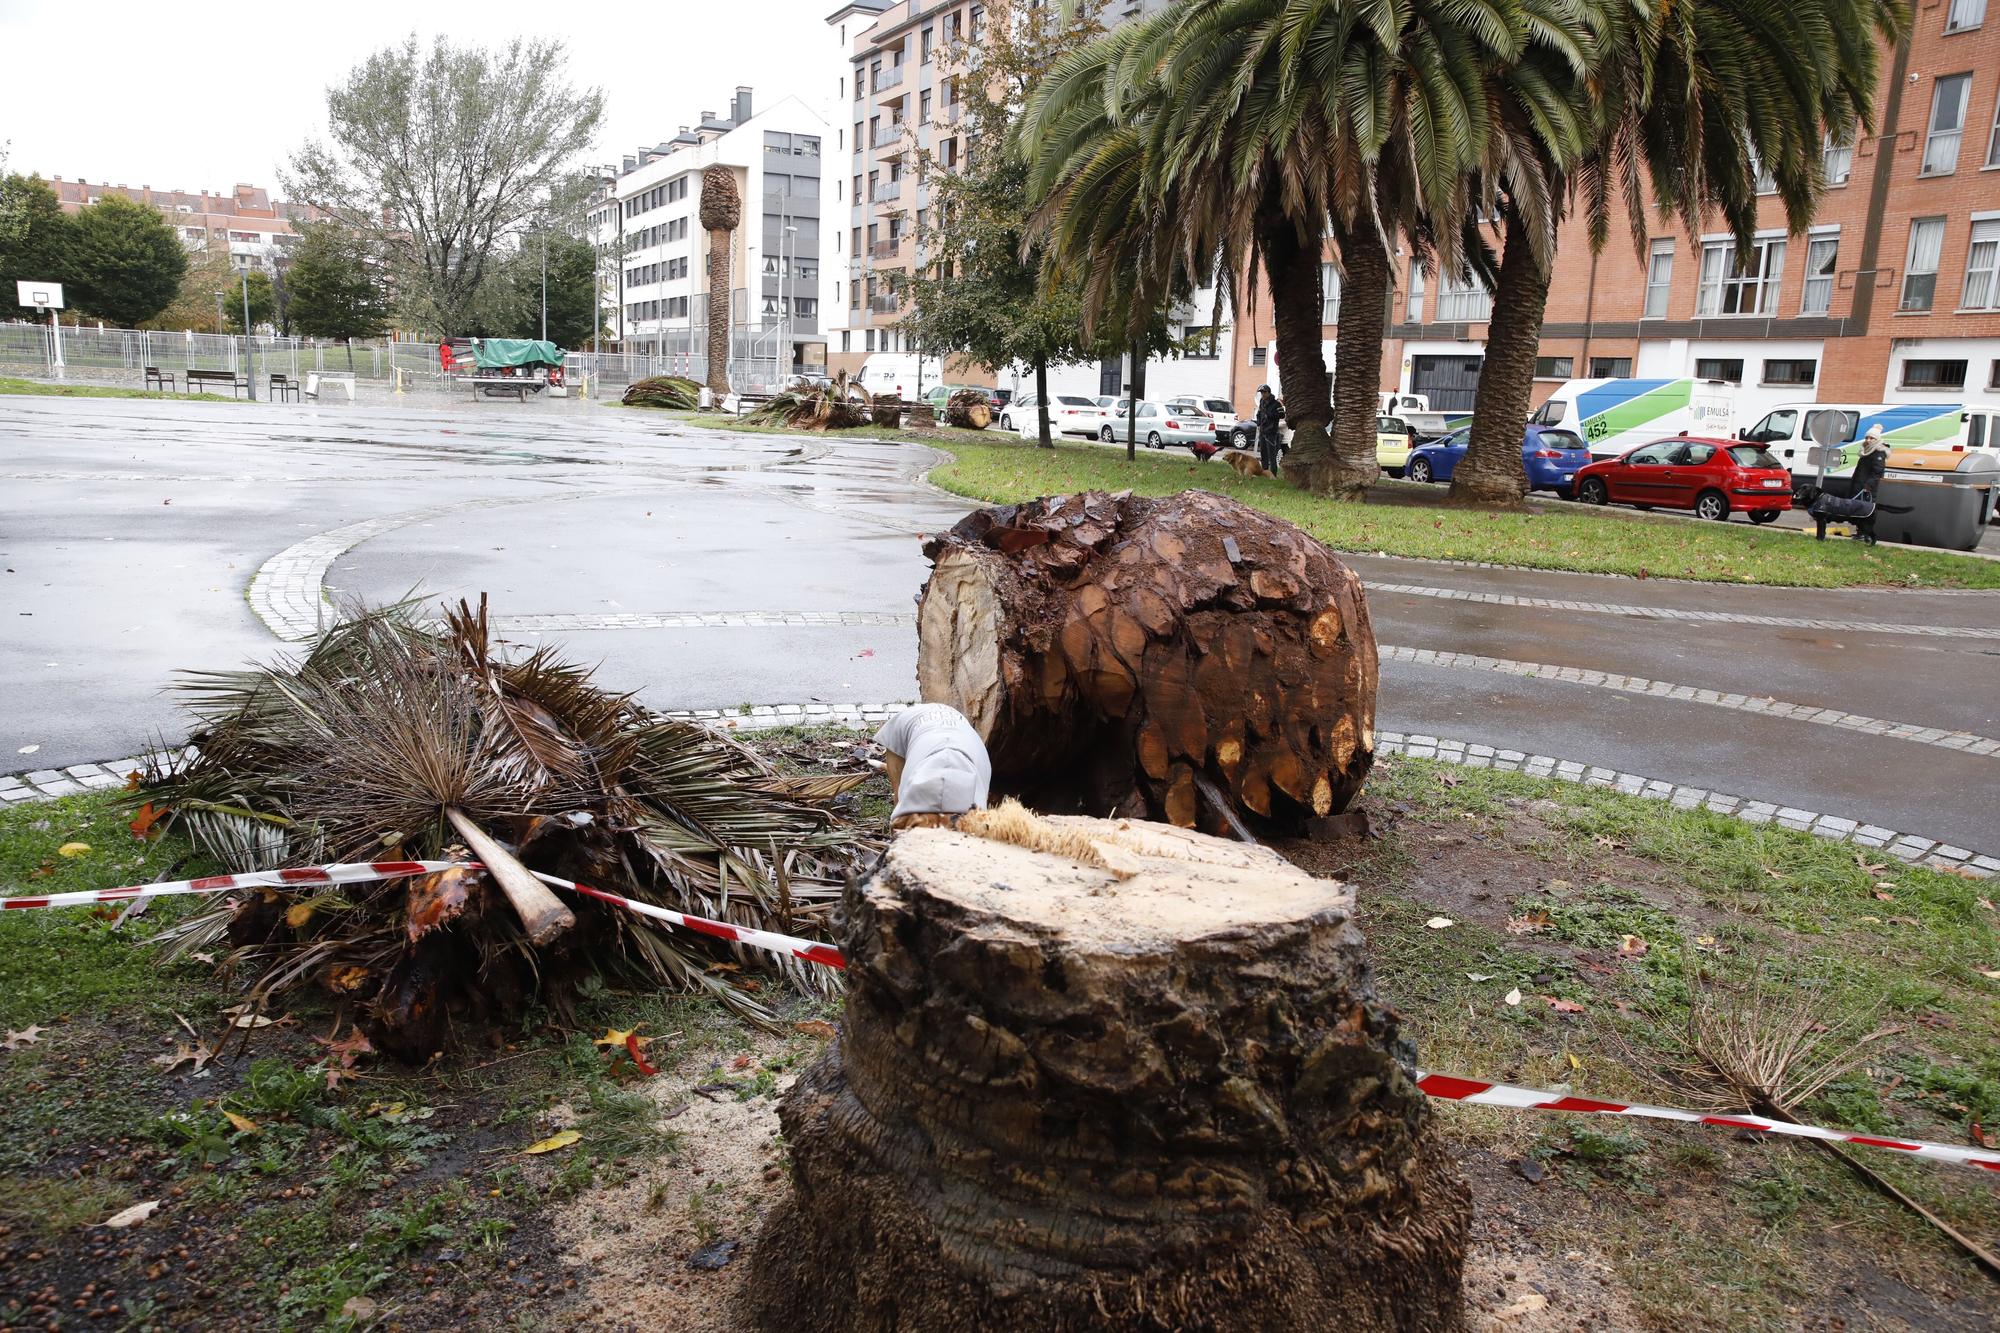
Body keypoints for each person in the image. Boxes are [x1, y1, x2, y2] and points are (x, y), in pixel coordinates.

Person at [873, 703, 991, 831]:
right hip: (910, 721)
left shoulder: (977, 815)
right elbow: (898, 823)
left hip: (953, 724)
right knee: (900, 798)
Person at [1254, 384, 1285, 473]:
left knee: (1272, 455)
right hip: (1263, 432)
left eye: (1264, 392)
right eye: (1261, 393)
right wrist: (1258, 424)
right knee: (1263, 454)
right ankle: (1265, 472)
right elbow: (1259, 414)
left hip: (1271, 433)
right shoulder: (1261, 402)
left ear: (1268, 393)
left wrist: (1270, 415)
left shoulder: (1276, 404)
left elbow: (1282, 415)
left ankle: (1273, 474)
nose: (1262, 395)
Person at [1852, 424, 1889, 498]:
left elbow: (1877, 472)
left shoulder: (1879, 452)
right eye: (1866, 438)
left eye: (1871, 438)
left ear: (1877, 439)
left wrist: (1867, 486)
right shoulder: (1866, 450)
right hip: (1858, 485)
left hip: (1866, 490)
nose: (1868, 440)